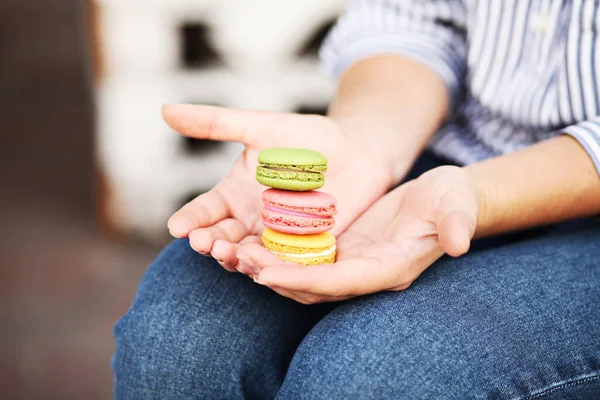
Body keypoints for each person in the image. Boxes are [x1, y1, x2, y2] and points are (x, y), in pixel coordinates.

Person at [112, 1, 600, 398]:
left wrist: (480, 193)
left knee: (362, 377)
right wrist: (368, 139)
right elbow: (414, 20)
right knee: (176, 336)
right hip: (444, 146)